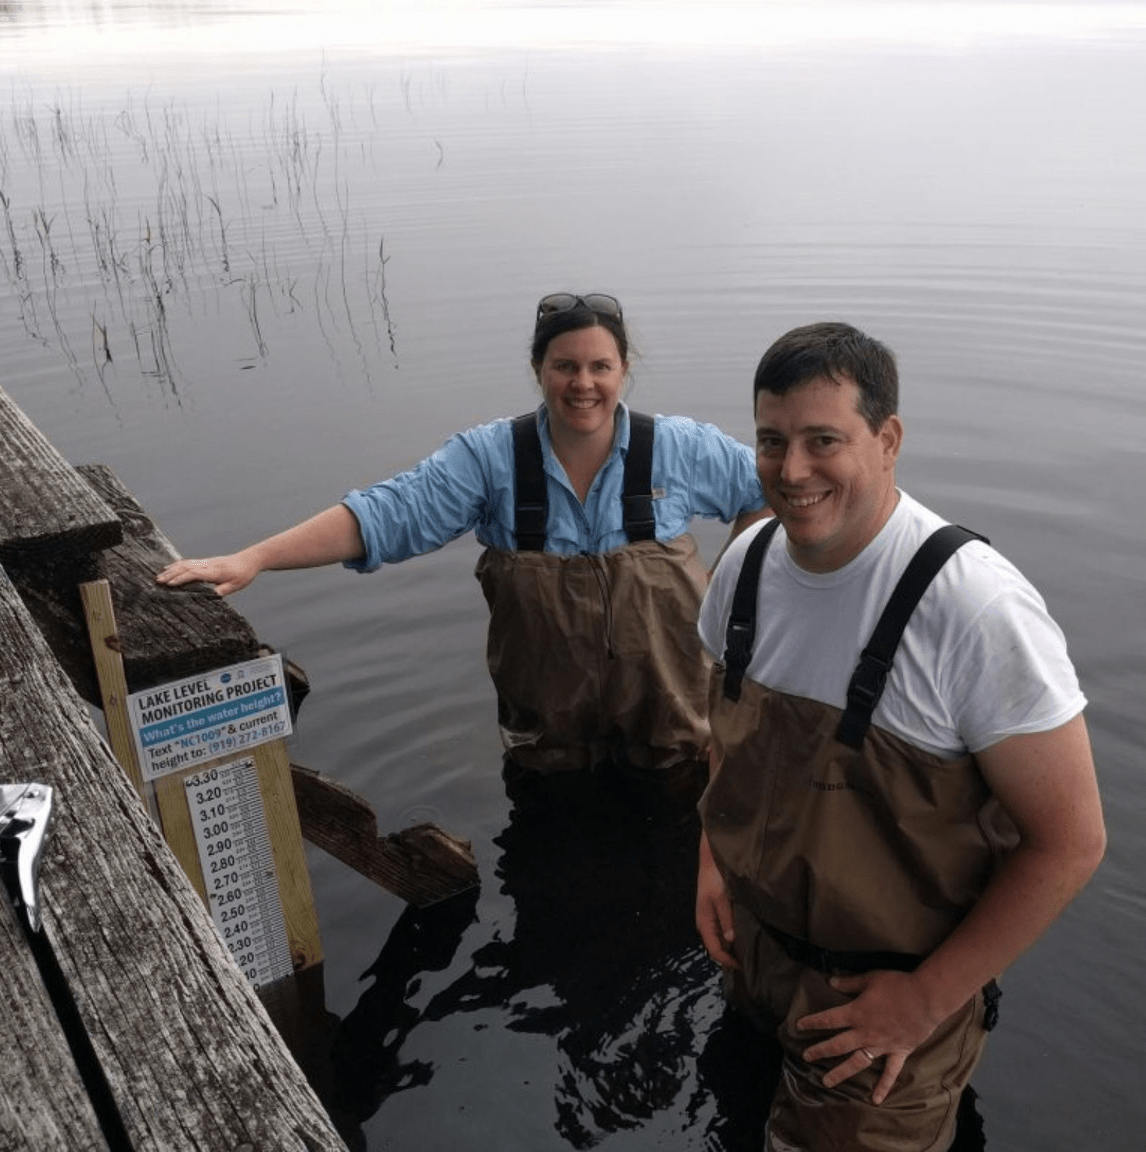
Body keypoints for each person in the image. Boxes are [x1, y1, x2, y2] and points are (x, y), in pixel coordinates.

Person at [694, 321, 1106, 1150]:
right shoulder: (744, 564)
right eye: (772, 441)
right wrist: (711, 862)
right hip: (756, 958)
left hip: (893, 999)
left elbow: (1070, 843)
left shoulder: (977, 611)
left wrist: (923, 1003)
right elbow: (725, 738)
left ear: (887, 440)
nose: (792, 470)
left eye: (823, 441)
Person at [157, 292, 767, 780]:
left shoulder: (680, 450)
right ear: (539, 371)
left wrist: (729, 588)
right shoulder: (491, 458)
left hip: (674, 734)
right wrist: (255, 557)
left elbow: (768, 491)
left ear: (623, 371)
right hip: (546, 744)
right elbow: (388, 514)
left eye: (599, 366)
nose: (583, 384)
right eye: (564, 366)